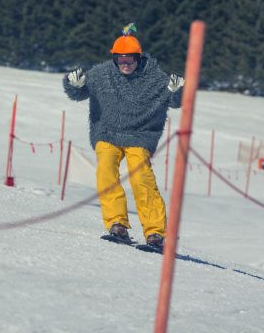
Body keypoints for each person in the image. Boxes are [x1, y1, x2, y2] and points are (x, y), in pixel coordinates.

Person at [63, 24, 184, 249]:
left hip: (140, 134)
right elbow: (78, 93)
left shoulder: (155, 78)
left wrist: (177, 91)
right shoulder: (102, 74)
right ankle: (117, 224)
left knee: (141, 178)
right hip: (106, 132)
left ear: (138, 58)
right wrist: (74, 84)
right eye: (120, 60)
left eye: (129, 60)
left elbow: (175, 101)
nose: (125, 65)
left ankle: (155, 233)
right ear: (114, 59)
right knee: (106, 171)